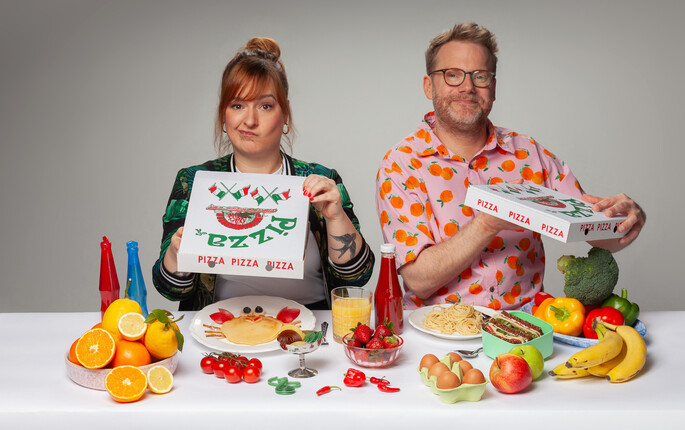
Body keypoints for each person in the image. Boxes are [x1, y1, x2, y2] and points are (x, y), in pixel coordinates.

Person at [376, 23, 645, 310]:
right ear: (429, 85)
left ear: (492, 87)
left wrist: (623, 222)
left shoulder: (528, 152)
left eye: (480, 76)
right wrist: (488, 223)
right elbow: (418, 279)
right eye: (452, 75)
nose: (467, 87)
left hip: (528, 327)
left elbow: (593, 232)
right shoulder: (401, 164)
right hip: (436, 332)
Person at [153, 37, 374, 311]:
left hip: (309, 330)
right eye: (237, 105)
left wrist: (336, 217)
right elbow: (170, 289)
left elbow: (357, 278)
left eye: (265, 106)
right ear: (224, 116)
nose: (249, 120)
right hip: (219, 329)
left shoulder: (320, 180)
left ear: (286, 115)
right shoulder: (194, 181)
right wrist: (178, 252)